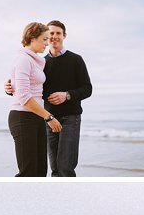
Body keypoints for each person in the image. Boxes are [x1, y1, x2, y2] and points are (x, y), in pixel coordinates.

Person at [6, 20, 93, 176]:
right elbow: (32, 89)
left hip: (70, 117)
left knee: (65, 167)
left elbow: (87, 89)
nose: (52, 38)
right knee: (52, 168)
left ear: (64, 36)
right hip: (46, 117)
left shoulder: (75, 60)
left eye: (57, 33)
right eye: (49, 34)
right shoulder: (41, 61)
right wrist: (10, 88)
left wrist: (67, 95)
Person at [8, 22, 62, 177]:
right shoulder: (23, 59)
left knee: (40, 172)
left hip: (35, 117)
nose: (47, 43)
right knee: (28, 173)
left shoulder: (34, 61)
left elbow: (24, 85)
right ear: (32, 38)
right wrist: (49, 117)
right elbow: (24, 96)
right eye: (44, 39)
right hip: (22, 117)